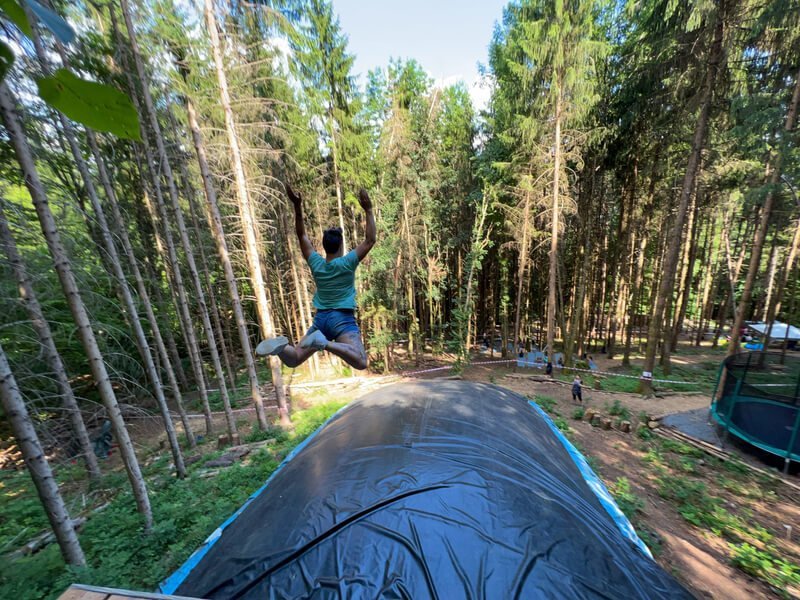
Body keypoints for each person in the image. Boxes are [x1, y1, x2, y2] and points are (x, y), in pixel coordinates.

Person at [256, 184, 376, 370]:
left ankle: (279, 347)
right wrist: (368, 209)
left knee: (294, 358)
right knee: (360, 361)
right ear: (341, 246)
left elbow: (301, 234)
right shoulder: (347, 263)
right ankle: (325, 343)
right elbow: (370, 240)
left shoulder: (317, 264)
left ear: (325, 246)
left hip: (321, 319)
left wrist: (297, 206)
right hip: (341, 319)